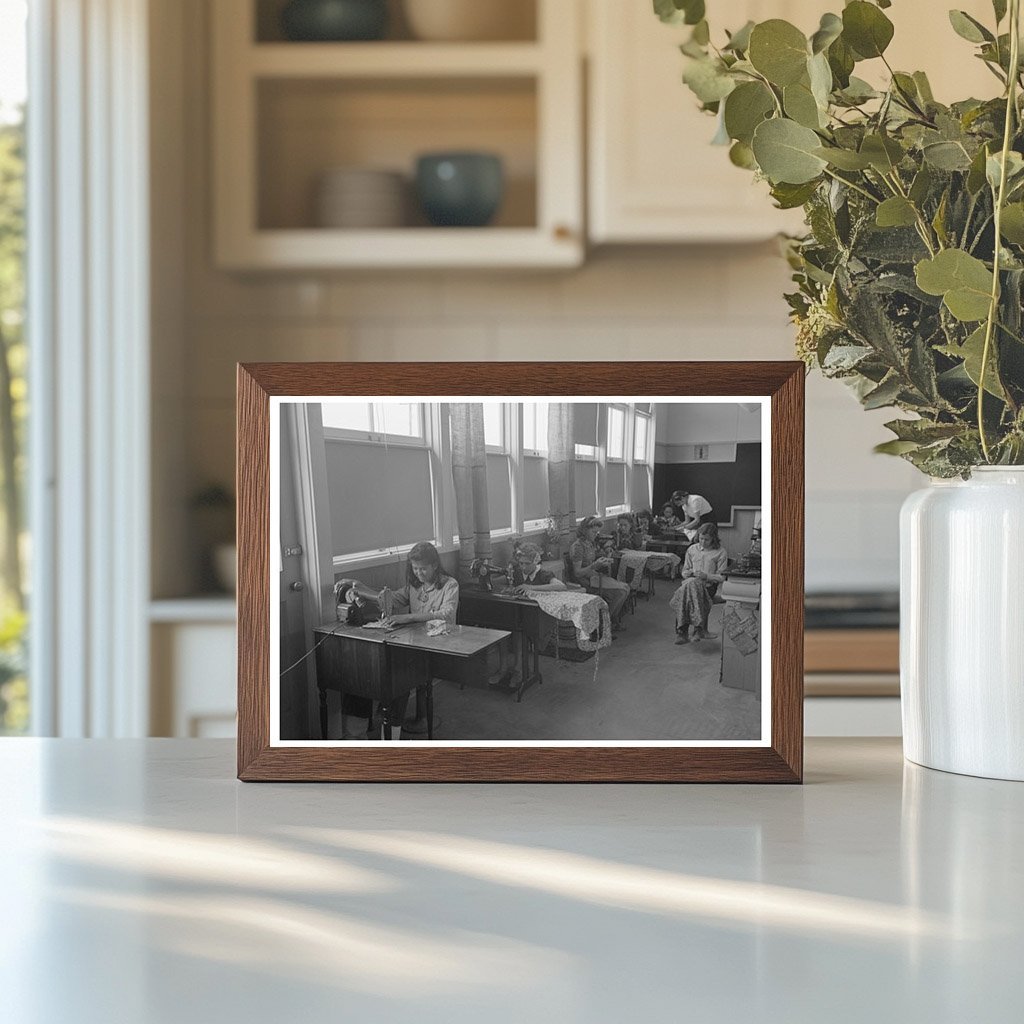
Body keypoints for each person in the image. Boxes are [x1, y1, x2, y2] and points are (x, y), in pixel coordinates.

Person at [342, 541, 459, 739]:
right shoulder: (414, 586)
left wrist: (408, 617)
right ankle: (359, 731)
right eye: (414, 569)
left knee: (398, 679)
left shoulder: (450, 584)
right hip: (414, 642)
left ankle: (390, 736)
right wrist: (361, 589)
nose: (418, 573)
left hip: (437, 644)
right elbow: (392, 599)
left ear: (435, 566)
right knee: (365, 668)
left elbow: (447, 614)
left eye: (423, 569)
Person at [670, 521, 727, 644]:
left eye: (706, 540)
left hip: (708, 586)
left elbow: (722, 577)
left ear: (713, 539)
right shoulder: (692, 549)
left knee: (686, 593)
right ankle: (698, 629)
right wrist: (690, 573)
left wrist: (707, 576)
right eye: (701, 538)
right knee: (691, 587)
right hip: (690, 583)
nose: (702, 542)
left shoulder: (720, 552)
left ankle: (682, 632)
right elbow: (684, 571)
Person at [569, 516, 630, 631]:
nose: (596, 534)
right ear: (584, 530)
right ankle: (603, 624)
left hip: (593, 576)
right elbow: (577, 573)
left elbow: (595, 556)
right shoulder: (578, 547)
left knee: (626, 588)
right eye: (594, 532)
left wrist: (606, 555)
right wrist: (594, 566)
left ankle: (610, 621)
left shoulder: (590, 543)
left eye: (597, 532)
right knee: (621, 592)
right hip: (584, 581)